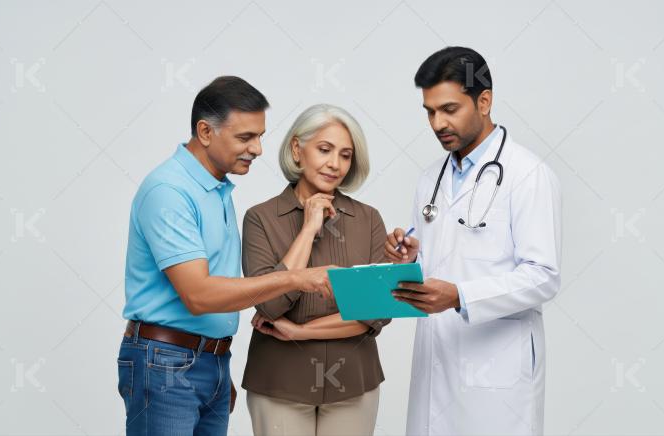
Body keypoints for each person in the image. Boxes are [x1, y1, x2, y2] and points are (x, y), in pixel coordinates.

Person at [117, 76, 333, 436]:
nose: (258, 149)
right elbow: (199, 295)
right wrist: (296, 278)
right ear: (205, 132)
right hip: (165, 364)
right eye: (246, 137)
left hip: (207, 361)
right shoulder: (169, 191)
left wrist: (214, 367)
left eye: (260, 136)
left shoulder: (216, 189)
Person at [385, 47, 562, 435]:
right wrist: (411, 255)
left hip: (496, 370)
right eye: (430, 112)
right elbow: (440, 261)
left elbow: (544, 276)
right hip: (437, 357)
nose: (437, 122)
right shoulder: (430, 178)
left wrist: (462, 296)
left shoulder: (527, 174)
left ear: (484, 101)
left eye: (449, 109)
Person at [242, 104, 390, 436]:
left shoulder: (368, 220)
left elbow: (376, 312)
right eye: (324, 149)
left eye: (346, 155)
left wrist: (299, 332)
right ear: (297, 149)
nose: (335, 164)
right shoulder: (260, 218)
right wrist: (308, 229)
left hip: (354, 383)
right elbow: (269, 305)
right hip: (279, 383)